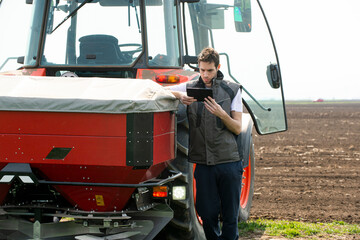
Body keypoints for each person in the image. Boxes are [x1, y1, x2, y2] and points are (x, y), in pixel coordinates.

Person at [168, 47, 243, 240]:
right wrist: (180, 96)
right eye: (201, 70)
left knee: (229, 218)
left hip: (229, 163)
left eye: (209, 70)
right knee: (207, 215)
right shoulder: (191, 87)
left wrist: (221, 113)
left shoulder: (232, 90)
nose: (205, 75)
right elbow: (158, 89)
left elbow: (236, 128)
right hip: (204, 165)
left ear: (217, 67)